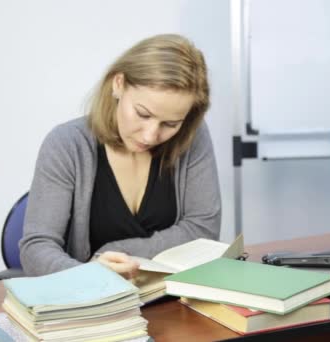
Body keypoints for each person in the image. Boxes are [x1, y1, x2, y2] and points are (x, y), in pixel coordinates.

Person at [19, 34, 221, 279]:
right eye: (142, 114)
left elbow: (203, 231)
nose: (150, 136)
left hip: (167, 299)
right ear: (118, 84)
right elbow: (36, 248)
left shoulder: (193, 136)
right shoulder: (66, 144)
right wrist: (90, 273)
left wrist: (113, 252)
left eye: (170, 124)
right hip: (91, 301)